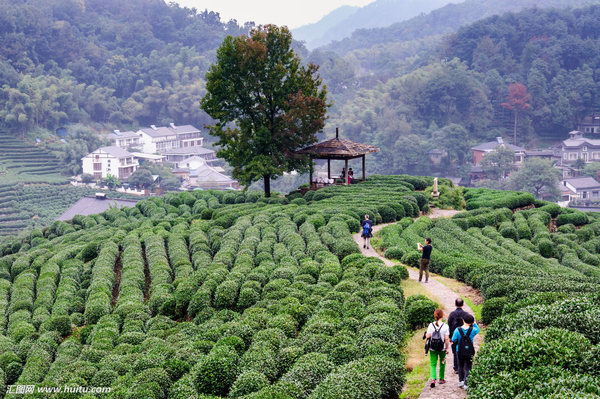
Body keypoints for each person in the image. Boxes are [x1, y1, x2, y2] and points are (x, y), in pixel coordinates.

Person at [451, 313, 480, 390]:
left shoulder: (457, 330)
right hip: (469, 350)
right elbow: (478, 329)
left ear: (463, 320)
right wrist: (474, 324)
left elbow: (453, 339)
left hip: (459, 350)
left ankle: (461, 380)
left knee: (460, 365)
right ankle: (467, 383)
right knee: (468, 366)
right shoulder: (473, 330)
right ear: (471, 322)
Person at [426, 308, 451, 388]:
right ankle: (441, 379)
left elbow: (427, 336)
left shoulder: (431, 325)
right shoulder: (445, 326)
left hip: (433, 348)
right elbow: (446, 339)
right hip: (442, 348)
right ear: (442, 315)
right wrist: (447, 348)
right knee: (442, 363)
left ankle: (433, 378)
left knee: (433, 364)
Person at [448, 298, 467, 374]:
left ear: (455, 304)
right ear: (463, 304)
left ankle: (456, 367)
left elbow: (449, 325)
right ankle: (463, 366)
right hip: (464, 334)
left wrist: (450, 336)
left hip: (454, 335)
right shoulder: (466, 314)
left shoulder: (452, 314)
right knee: (464, 350)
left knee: (455, 351)